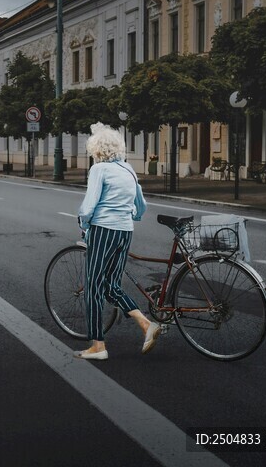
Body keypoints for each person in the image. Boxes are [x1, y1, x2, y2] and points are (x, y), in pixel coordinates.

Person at [75, 122, 160, 361]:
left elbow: (89, 206)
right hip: (125, 230)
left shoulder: (99, 170)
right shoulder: (128, 169)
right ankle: (146, 325)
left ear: (97, 149)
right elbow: (141, 203)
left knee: (93, 288)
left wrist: (83, 222)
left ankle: (97, 345)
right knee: (111, 285)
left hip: (104, 229)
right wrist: (133, 216)